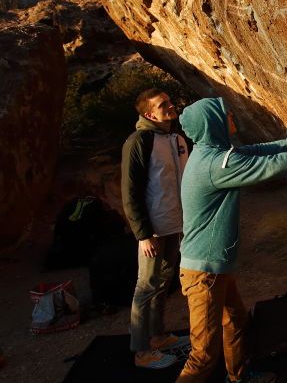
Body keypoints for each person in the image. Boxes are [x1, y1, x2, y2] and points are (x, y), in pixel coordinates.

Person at [175, 97, 287, 383]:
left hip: (214, 266)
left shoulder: (210, 152)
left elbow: (250, 151)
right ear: (212, 123)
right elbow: (271, 168)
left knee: (236, 324)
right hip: (203, 273)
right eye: (226, 114)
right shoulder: (215, 164)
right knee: (203, 354)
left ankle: (239, 377)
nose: (232, 117)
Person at [121, 88, 191, 369]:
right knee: (146, 286)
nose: (171, 107)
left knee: (163, 282)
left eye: (170, 102)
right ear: (149, 114)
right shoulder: (139, 141)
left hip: (176, 223)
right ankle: (141, 352)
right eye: (164, 105)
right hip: (154, 228)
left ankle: (158, 337)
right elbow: (130, 191)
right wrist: (142, 234)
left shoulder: (176, 138)